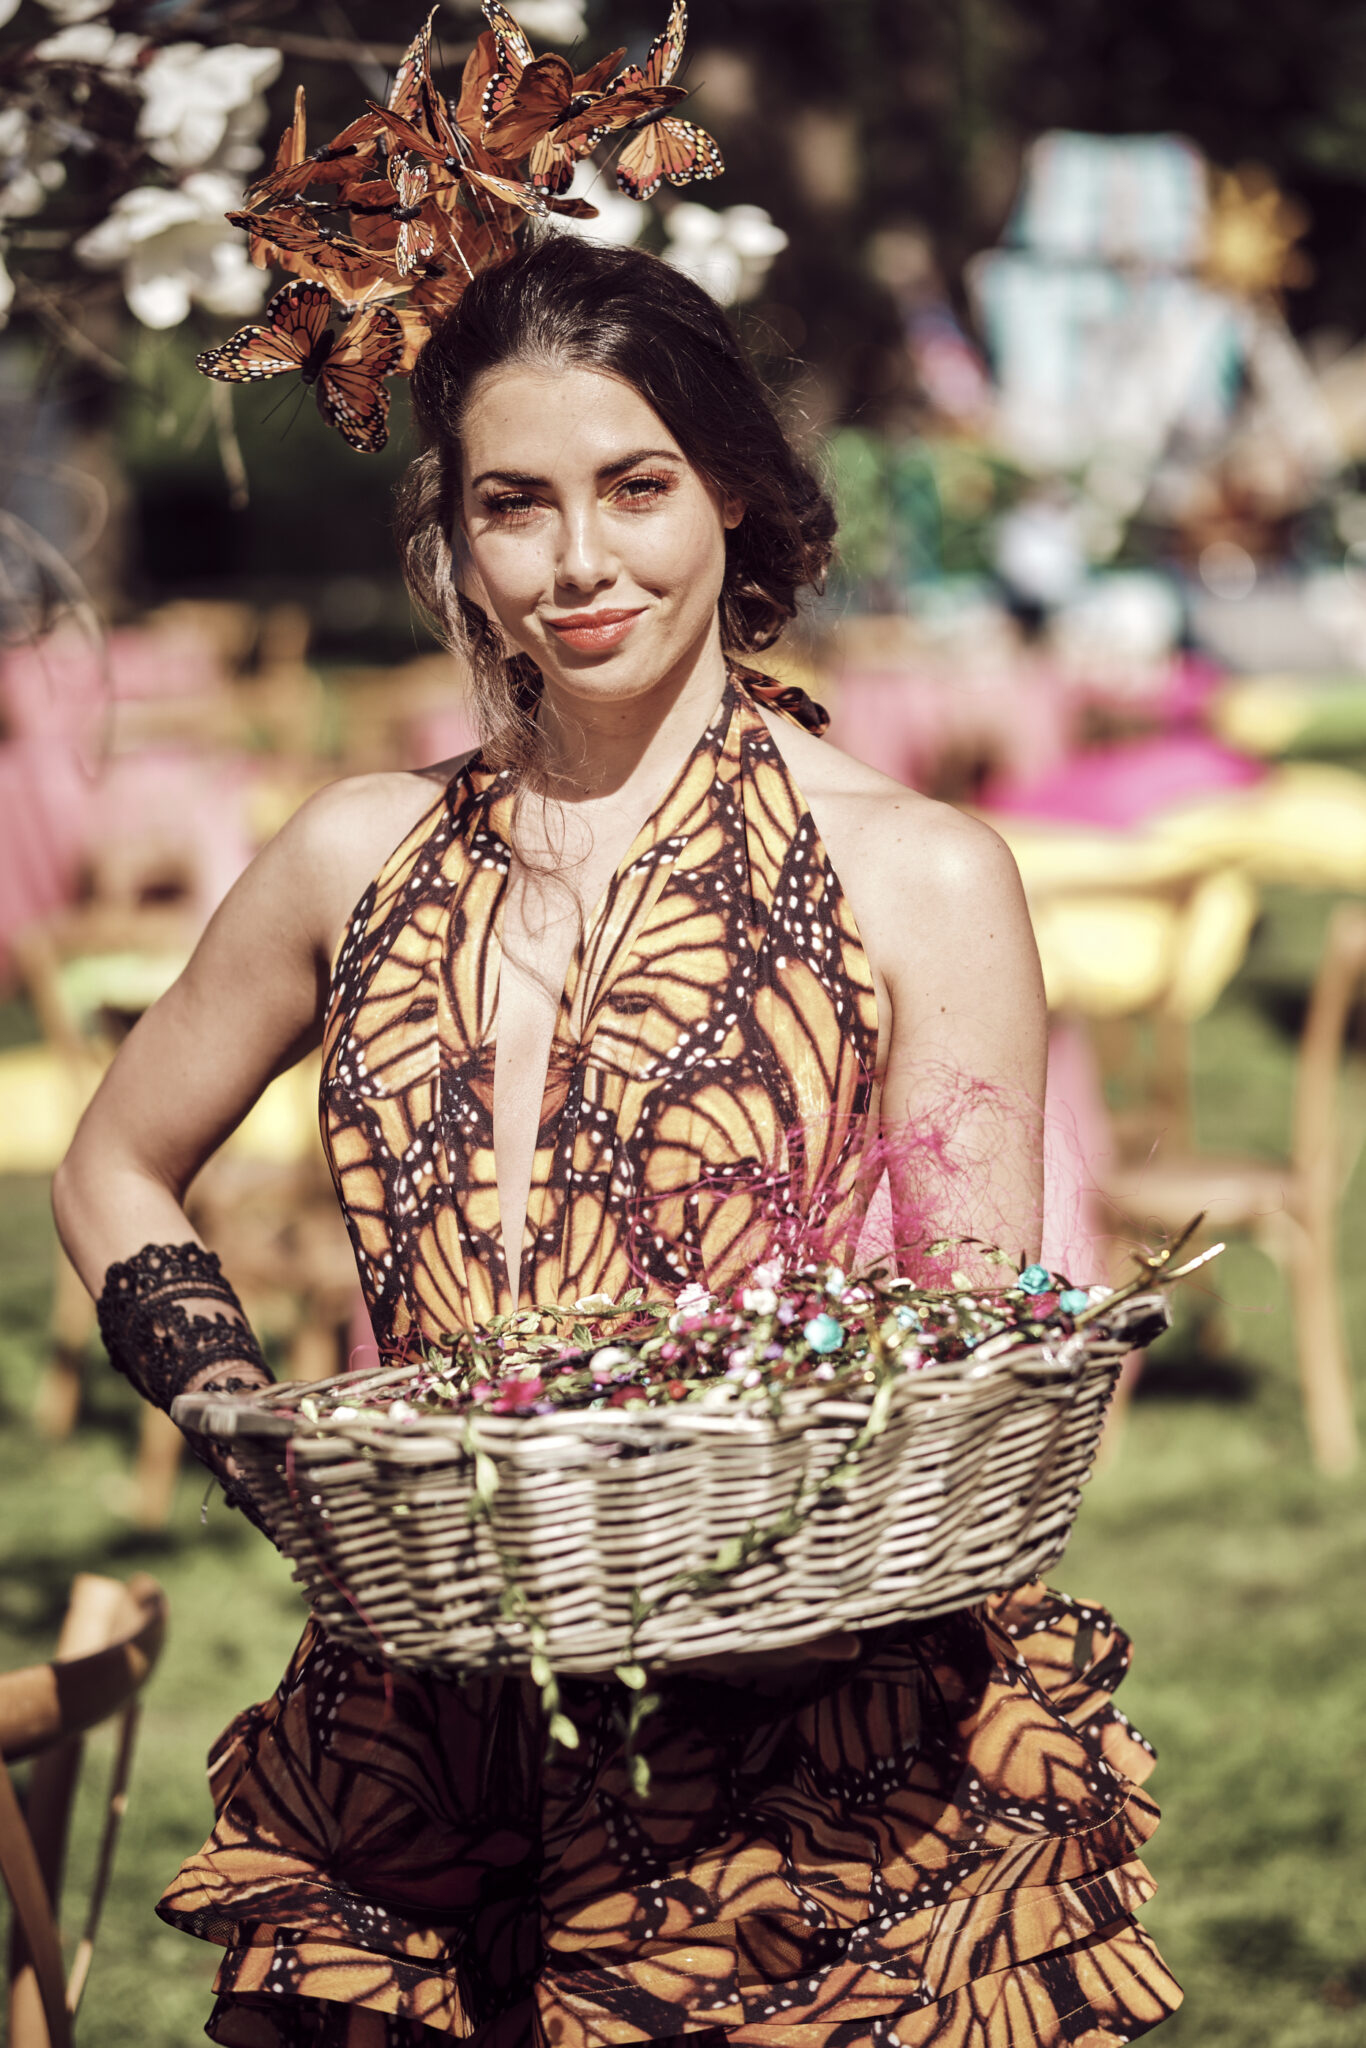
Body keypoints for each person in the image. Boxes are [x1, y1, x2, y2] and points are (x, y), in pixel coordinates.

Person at [53, 233, 1180, 2048]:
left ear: (729, 488)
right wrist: (245, 1433)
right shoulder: (354, 852)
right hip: (413, 1758)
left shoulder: (915, 873)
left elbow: (962, 1339)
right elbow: (109, 1166)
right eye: (516, 504)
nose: (580, 563)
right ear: (456, 531)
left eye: (635, 487)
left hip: (807, 1793)